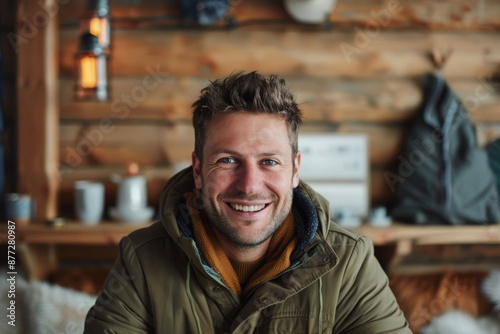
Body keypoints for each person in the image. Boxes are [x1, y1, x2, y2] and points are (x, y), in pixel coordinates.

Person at [84, 71, 411, 333]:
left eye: (269, 161)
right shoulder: (141, 261)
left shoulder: (349, 264)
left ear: (295, 170)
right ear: (198, 171)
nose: (250, 186)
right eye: (227, 161)